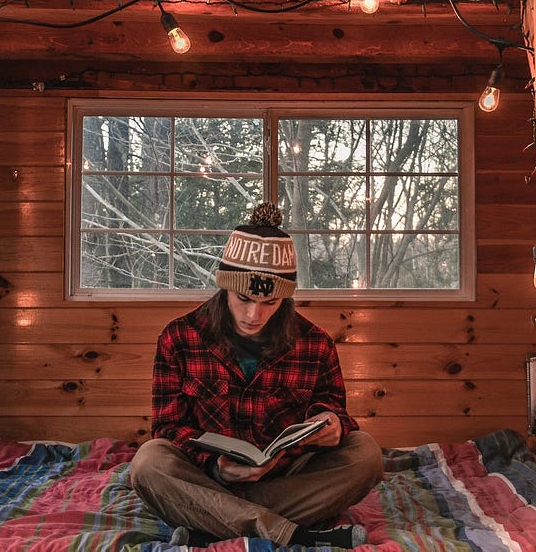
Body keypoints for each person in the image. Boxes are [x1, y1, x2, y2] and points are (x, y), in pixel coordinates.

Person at [130, 202, 383, 549]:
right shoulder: (179, 337)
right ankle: (291, 533)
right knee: (147, 462)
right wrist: (217, 466)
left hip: (286, 478)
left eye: (270, 303)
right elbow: (168, 429)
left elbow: (331, 409)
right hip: (209, 478)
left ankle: (213, 523)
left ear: (285, 299)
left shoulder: (315, 342)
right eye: (243, 299)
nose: (254, 314)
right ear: (224, 288)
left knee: (365, 453)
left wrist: (334, 426)